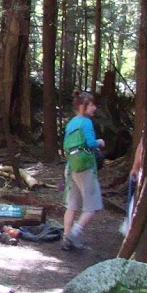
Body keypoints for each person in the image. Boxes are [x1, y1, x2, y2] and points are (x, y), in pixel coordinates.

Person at [61, 90, 105, 251]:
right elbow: (91, 143)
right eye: (92, 105)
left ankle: (66, 238)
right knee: (93, 205)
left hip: (71, 165)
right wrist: (100, 142)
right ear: (82, 106)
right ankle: (74, 233)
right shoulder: (86, 122)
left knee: (72, 205)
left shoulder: (71, 122)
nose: (94, 108)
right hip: (85, 166)